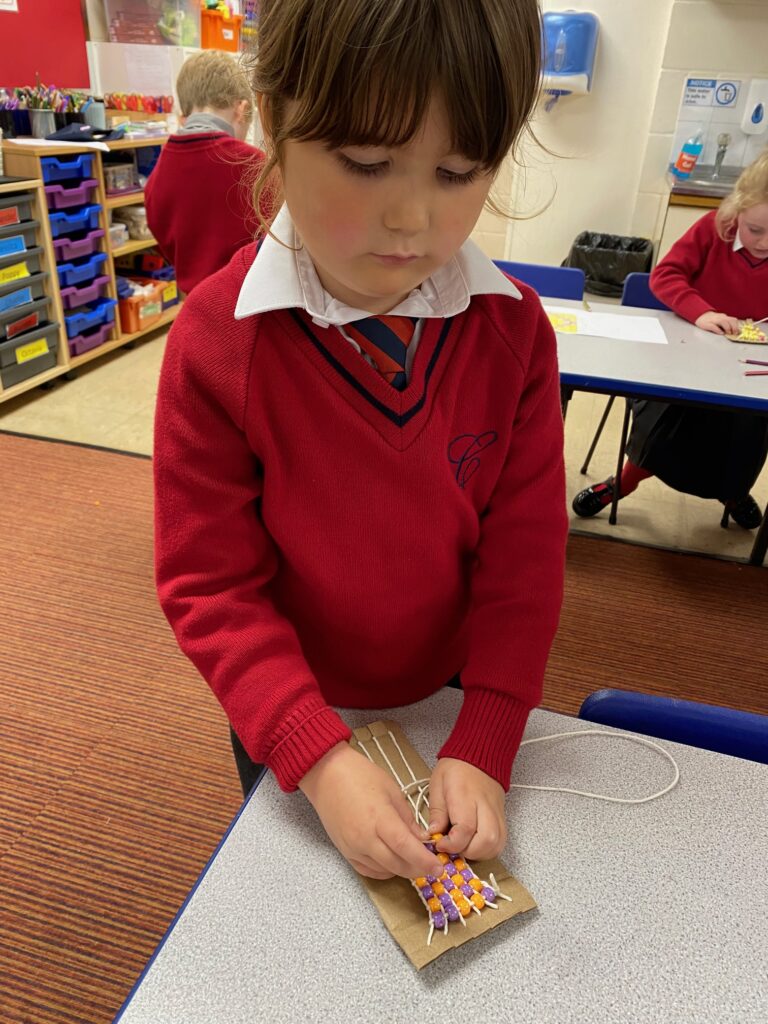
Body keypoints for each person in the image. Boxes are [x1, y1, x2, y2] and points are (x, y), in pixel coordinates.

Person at [154, 0, 567, 883]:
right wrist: (321, 759)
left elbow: (524, 559)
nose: (412, 218)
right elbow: (210, 582)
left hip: (450, 693)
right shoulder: (217, 343)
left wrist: (488, 732)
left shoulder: (515, 335)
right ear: (272, 116)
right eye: (367, 163)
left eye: (460, 171)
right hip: (288, 711)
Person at [573, 149, 768, 528]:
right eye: (756, 230)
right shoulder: (713, 229)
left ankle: (733, 490)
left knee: (750, 423)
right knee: (671, 415)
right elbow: (665, 276)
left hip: (747, 367)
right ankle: (625, 482)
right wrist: (703, 312)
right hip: (685, 355)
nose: (763, 243)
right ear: (736, 211)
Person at [145, 50, 271, 294]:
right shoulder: (255, 167)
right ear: (241, 109)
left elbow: (165, 241)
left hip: (193, 306)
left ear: (183, 117)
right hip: (248, 308)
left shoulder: (158, 174)